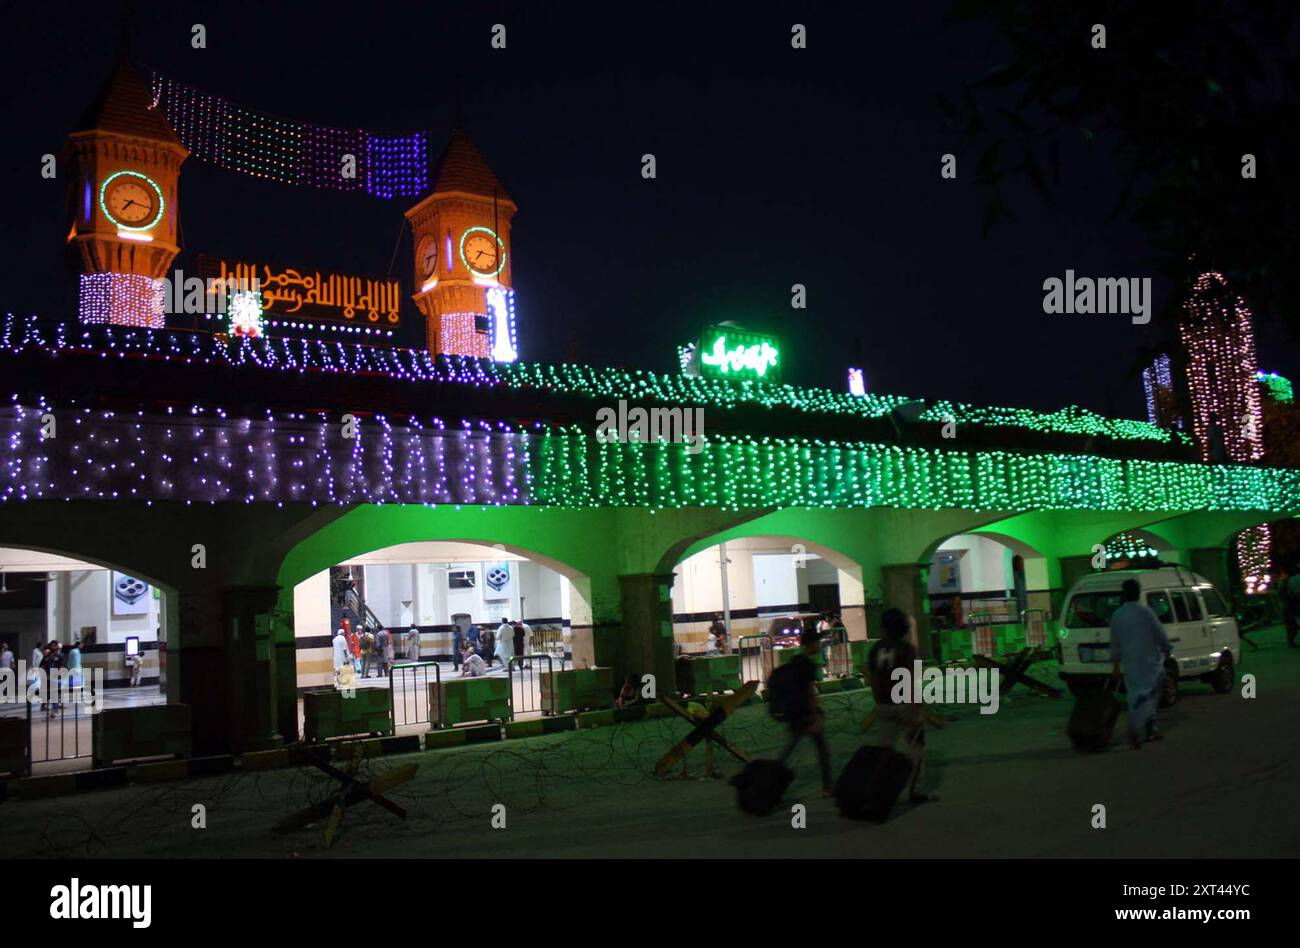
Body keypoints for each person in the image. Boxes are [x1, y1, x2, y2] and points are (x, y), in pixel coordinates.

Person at [868, 608, 933, 805]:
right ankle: (915, 790)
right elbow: (910, 680)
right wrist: (916, 708)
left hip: (883, 705)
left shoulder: (874, 649)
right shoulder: (906, 649)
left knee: (885, 751)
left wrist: (879, 703)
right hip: (904, 704)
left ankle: (877, 789)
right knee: (916, 747)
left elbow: (873, 680)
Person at [1108, 578, 1173, 748]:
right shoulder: (1146, 612)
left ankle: (1150, 728)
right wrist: (1167, 649)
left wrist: (1115, 665)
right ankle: (1136, 728)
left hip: (1130, 663)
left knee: (1136, 695)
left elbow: (1115, 642)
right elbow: (1159, 633)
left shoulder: (1118, 615)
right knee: (1149, 695)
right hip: (1150, 661)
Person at [773, 627, 834, 797]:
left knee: (790, 749)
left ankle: (773, 778)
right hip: (806, 714)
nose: (819, 645)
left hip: (795, 713)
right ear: (811, 644)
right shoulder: (808, 665)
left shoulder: (794, 661)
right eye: (817, 642)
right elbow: (809, 693)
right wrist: (815, 717)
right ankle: (827, 787)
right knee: (822, 749)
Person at [40, 641, 65, 711]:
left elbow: (62, 666)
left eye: (55, 646)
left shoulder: (59, 656)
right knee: (48, 692)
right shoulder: (47, 656)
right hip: (47, 677)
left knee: (55, 692)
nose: (54, 647)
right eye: (53, 646)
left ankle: (55, 708)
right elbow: (42, 665)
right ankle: (46, 705)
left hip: (55, 677)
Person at [1283, 560, 1300, 649]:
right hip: (1293, 602)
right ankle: (1291, 641)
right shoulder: (1293, 579)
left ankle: (1291, 640)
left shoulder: (1289, 580)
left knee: (1292, 624)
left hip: (1291, 602)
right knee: (1292, 624)